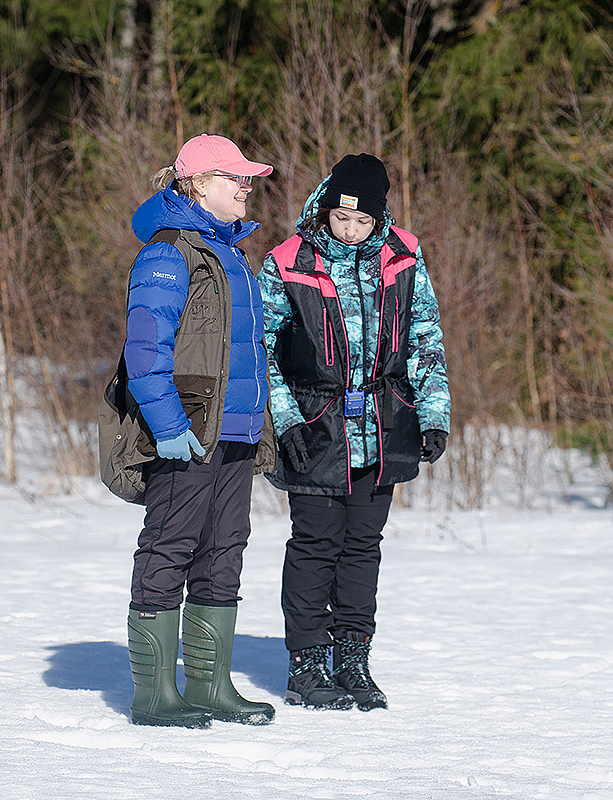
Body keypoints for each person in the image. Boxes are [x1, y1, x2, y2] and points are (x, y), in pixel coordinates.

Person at [259, 153, 450, 711]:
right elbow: (261, 348)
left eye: (362, 222)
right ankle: (307, 663)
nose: (350, 230)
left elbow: (424, 339)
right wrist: (286, 416)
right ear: (326, 208)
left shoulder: (403, 256)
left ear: (379, 215)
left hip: (384, 424)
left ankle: (352, 657)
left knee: (363, 546)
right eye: (341, 219)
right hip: (315, 426)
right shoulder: (287, 261)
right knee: (316, 545)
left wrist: (433, 414)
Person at [123, 134, 277, 728]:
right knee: (169, 548)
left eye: (247, 179)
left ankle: (211, 686)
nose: (246, 187)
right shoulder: (169, 255)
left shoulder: (233, 254)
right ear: (198, 184)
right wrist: (165, 424)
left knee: (223, 554)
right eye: (235, 178)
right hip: (186, 432)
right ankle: (154, 693)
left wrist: (259, 426)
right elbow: (146, 350)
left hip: (234, 433)